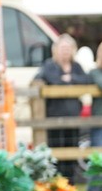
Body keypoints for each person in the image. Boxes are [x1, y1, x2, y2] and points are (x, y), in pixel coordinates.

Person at [34, 34, 89, 182]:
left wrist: (70, 79)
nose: (66, 51)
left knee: (72, 152)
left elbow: (86, 81)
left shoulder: (77, 67)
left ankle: (70, 184)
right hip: (54, 119)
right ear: (55, 50)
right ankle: (56, 184)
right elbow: (48, 80)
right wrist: (66, 81)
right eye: (63, 48)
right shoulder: (49, 65)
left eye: (68, 48)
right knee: (55, 154)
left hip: (73, 118)